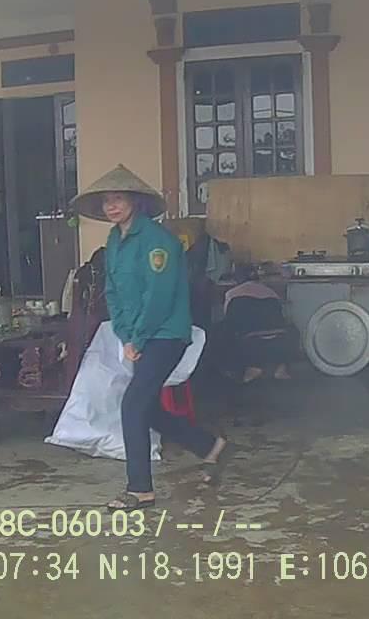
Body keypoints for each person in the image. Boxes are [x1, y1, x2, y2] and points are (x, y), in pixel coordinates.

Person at [71, 164, 228, 509]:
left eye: (118, 199)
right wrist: (125, 334)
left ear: (136, 202)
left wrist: (138, 339)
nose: (112, 206)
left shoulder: (159, 242)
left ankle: (140, 488)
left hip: (166, 333)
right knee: (147, 406)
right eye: (107, 201)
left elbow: (158, 297)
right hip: (137, 335)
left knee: (132, 404)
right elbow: (113, 292)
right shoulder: (114, 240)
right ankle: (207, 445)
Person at [219, 265, 290, 384]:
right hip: (279, 337)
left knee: (221, 331)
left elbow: (229, 319)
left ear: (237, 278)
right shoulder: (271, 293)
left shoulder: (232, 294)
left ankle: (245, 369)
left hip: (250, 339)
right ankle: (281, 368)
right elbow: (281, 315)